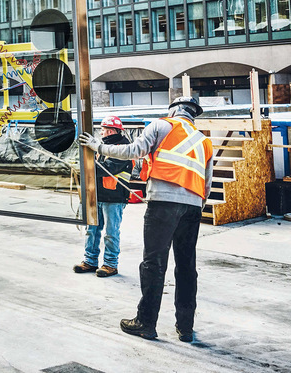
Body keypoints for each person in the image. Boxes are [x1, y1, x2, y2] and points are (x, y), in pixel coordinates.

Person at [79, 96, 213, 342]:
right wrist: (194, 205)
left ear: (173, 109)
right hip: (193, 207)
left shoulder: (161, 125)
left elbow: (133, 151)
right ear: (194, 114)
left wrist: (98, 146)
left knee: (153, 263)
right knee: (186, 266)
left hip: (163, 203)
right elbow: (207, 183)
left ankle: (146, 322)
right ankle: (185, 327)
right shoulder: (204, 141)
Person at [73, 115, 133, 278]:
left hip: (114, 198)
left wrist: (87, 162)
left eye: (104, 130)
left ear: (112, 131)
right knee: (92, 230)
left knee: (111, 232)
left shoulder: (123, 148)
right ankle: (90, 261)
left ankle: (110, 265)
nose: (101, 133)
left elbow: (107, 168)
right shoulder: (102, 146)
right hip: (97, 195)